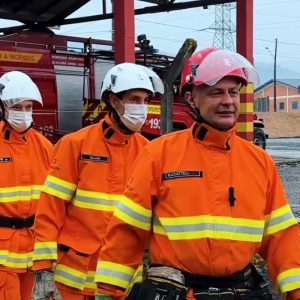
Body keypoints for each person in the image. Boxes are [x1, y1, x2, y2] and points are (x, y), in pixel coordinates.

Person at [94, 48, 300, 300]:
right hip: (178, 291)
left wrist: (295, 288)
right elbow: (127, 230)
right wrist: (108, 292)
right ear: (191, 98)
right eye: (216, 92)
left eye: (233, 92)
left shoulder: (260, 161)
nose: (228, 101)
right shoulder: (159, 154)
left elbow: (281, 236)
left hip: (241, 291)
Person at [31, 62, 164, 300]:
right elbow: (50, 208)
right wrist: (43, 267)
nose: (142, 108)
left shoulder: (148, 151)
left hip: (120, 279)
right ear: (114, 101)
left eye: (145, 101)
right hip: (74, 276)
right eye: (134, 99)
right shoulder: (76, 145)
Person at [0, 70, 53, 300]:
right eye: (17, 107)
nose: (24, 114)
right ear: (2, 108)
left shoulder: (43, 146)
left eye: (28, 107)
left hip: (33, 249)